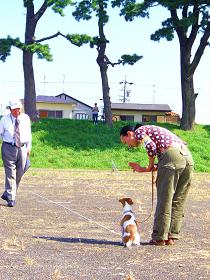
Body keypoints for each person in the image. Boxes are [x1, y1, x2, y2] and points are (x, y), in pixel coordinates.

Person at [120, 123, 194, 246]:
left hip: (172, 157)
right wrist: (142, 169)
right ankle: (171, 236)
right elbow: (165, 164)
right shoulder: (156, 133)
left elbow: (151, 147)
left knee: (165, 199)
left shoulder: (139, 131)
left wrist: (149, 164)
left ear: (129, 134)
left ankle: (159, 237)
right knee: (178, 200)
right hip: (187, 158)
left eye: (125, 142)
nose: (128, 146)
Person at [0, 99, 32, 207]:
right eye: (14, 109)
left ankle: (8, 192)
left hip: (22, 148)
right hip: (8, 147)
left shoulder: (26, 118)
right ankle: (11, 197)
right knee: (10, 173)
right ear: (10, 109)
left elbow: (29, 134)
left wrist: (29, 147)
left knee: (20, 171)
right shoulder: (4, 119)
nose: (17, 111)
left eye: (19, 109)